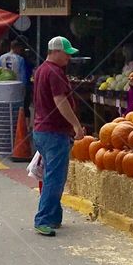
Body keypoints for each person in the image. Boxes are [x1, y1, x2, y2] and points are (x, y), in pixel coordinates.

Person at [32, 36, 86, 237]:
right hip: (53, 132)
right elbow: (60, 100)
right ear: (55, 52)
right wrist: (75, 125)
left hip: (42, 130)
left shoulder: (41, 70)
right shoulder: (55, 72)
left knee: (52, 175)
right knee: (54, 178)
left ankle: (54, 216)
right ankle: (43, 219)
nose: (68, 58)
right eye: (66, 54)